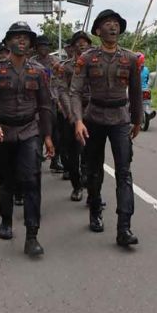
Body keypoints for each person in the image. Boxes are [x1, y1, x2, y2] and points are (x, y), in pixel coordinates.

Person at [0, 21, 55, 257]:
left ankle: (32, 235)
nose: (21, 40)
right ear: (8, 42)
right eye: (16, 37)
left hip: (30, 130)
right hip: (3, 131)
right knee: (6, 181)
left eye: (25, 37)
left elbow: (45, 105)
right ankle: (6, 221)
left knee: (32, 180)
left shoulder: (39, 71)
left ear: (31, 43)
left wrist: (49, 136)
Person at [71, 10, 143, 246]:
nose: (112, 27)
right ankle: (95, 211)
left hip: (120, 119)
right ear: (98, 31)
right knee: (94, 170)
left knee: (124, 171)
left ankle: (124, 227)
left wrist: (137, 120)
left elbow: (135, 92)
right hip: (94, 118)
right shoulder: (87, 58)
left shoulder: (131, 59)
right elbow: (75, 91)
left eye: (116, 24)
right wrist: (78, 120)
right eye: (107, 24)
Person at [56, 31, 93, 201]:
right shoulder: (66, 67)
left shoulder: (95, 64)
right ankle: (76, 186)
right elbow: (62, 91)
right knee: (71, 155)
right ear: (72, 47)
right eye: (78, 42)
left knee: (92, 154)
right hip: (71, 114)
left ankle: (93, 191)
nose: (82, 44)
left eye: (85, 42)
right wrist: (71, 113)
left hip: (92, 113)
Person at [32, 35, 63, 173]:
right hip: (37, 103)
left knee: (56, 134)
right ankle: (36, 160)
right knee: (38, 133)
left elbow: (62, 82)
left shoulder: (56, 61)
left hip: (54, 102)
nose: (43, 48)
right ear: (36, 48)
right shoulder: (31, 62)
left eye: (46, 46)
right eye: (40, 46)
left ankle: (55, 161)